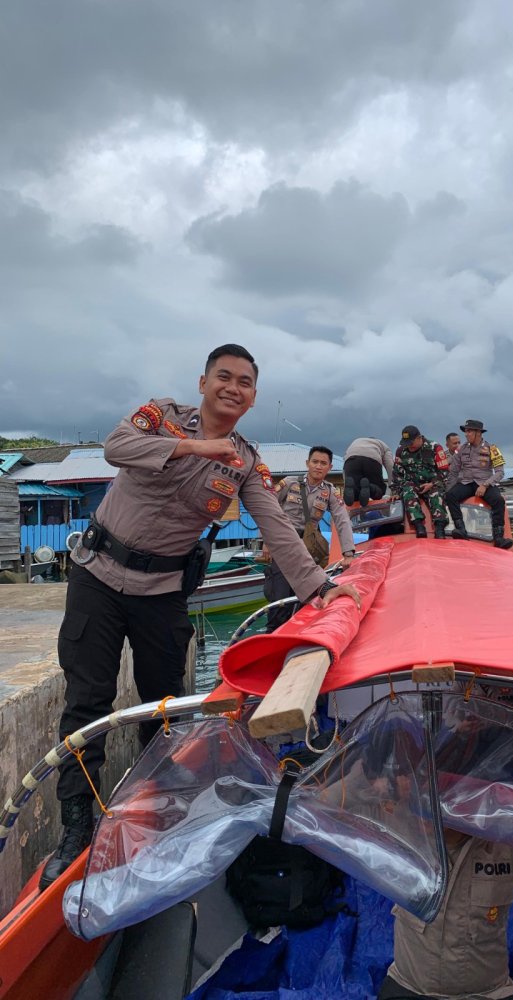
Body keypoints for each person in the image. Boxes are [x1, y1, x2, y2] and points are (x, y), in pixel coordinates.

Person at [40, 345, 361, 889]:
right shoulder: (160, 416)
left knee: (163, 705)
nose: (233, 388)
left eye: (245, 382)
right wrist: (194, 446)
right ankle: (76, 828)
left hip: (162, 591)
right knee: (87, 701)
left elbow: (277, 528)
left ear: (253, 397)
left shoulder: (247, 465)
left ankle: (160, 808)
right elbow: (117, 447)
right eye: (224, 377)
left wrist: (319, 588)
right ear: (203, 382)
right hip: (97, 576)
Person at [379, 828, 513, 999]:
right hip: (409, 989)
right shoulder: (402, 829)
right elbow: (354, 812)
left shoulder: (506, 843)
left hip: (489, 994)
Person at [264, 445, 357, 631]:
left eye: (323, 463)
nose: (318, 466)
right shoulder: (289, 483)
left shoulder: (330, 492)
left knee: (304, 596)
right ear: (307, 463)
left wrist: (348, 553)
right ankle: (273, 636)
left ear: (330, 467)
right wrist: (266, 541)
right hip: (283, 544)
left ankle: (294, 636)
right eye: (315, 462)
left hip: (307, 549)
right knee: (280, 598)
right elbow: (267, 509)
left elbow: (342, 520)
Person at [446, 419, 513, 550]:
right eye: (466, 431)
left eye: (469, 431)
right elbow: (454, 472)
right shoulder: (462, 450)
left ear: (478, 433)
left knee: (498, 501)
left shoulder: (492, 449)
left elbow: (500, 472)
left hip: (484, 483)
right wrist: (448, 491)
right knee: (451, 496)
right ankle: (461, 530)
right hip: (467, 482)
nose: (466, 434)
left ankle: (499, 538)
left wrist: (486, 485)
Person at [391, 426, 450, 539]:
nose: (409, 446)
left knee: (436, 495)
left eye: (411, 442)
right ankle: (418, 526)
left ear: (419, 438)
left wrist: (432, 483)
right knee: (407, 491)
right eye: (406, 443)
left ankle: (439, 528)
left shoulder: (434, 448)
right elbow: (397, 473)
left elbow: (444, 471)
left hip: (432, 483)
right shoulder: (401, 451)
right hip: (412, 484)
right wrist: (395, 491)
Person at [343, 437, 394, 506]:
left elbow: (344, 468)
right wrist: (387, 494)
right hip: (371, 458)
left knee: (355, 491)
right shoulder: (384, 446)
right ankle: (370, 488)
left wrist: (345, 483)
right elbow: (391, 470)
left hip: (351, 459)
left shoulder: (356, 442)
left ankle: (354, 491)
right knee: (379, 491)